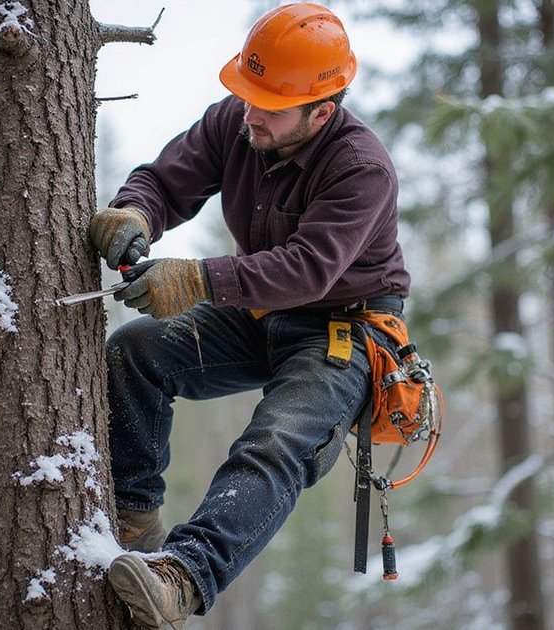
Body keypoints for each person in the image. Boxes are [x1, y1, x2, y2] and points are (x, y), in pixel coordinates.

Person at [88, 4, 410, 628]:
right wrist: (135, 214)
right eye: (248, 96)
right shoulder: (237, 120)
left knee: (276, 442)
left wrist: (198, 279)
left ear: (321, 112)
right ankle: (132, 524)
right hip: (260, 311)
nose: (251, 114)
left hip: (343, 329)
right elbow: (165, 181)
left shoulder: (360, 168)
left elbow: (307, 268)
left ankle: (183, 575)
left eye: (271, 106)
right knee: (136, 351)